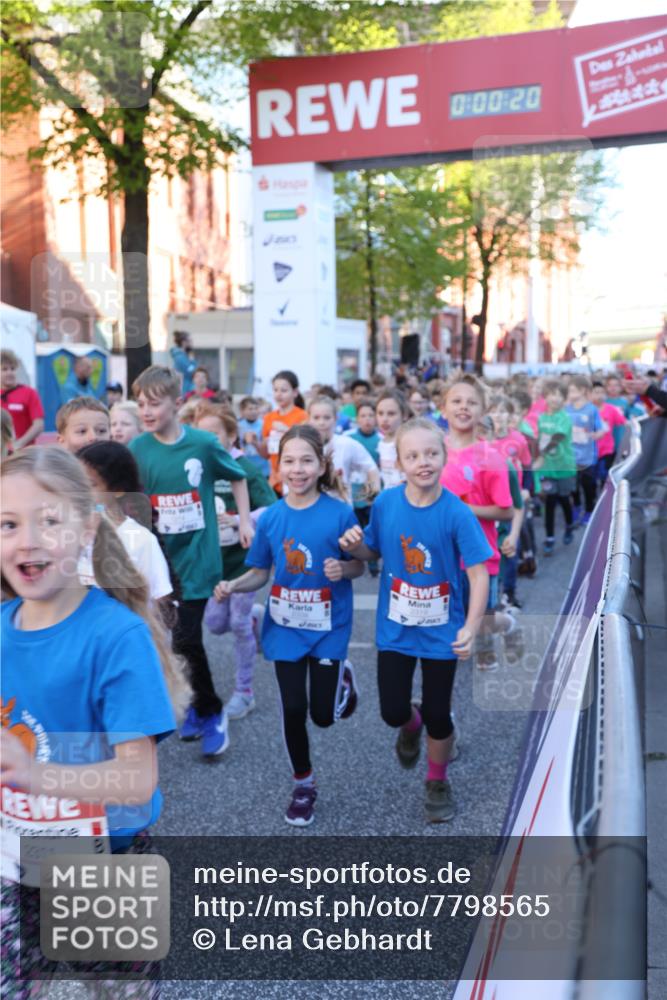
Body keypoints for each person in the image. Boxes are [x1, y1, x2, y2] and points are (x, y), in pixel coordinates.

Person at [1, 447, 186, 992]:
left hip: (106, 850)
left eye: (49, 521)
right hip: (13, 851)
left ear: (86, 531)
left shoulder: (116, 636)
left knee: (113, 990)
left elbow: (136, 779)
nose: (27, 539)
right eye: (8, 524)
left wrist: (37, 776)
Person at [339, 418, 491, 823]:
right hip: (396, 630)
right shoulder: (387, 504)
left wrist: (472, 626)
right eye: (413, 456)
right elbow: (373, 551)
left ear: (443, 456)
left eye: (431, 453)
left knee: (441, 714)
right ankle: (412, 724)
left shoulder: (456, 512)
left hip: (443, 631)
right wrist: (355, 548)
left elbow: (479, 573)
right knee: (392, 711)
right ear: (399, 462)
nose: (423, 462)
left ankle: (436, 781)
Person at [213, 425, 363, 827]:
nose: (297, 469)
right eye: (289, 461)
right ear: (279, 466)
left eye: (306, 461)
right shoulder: (273, 518)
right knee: (294, 709)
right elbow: (260, 572)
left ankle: (342, 679)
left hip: (329, 625)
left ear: (320, 466)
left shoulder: (339, 513)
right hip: (286, 626)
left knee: (324, 717)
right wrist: (233, 585)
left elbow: (360, 565)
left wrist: (343, 567)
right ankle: (304, 785)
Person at [129, 365, 252, 758]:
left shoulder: (202, 443)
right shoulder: (138, 449)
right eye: (140, 404)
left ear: (176, 404)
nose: (146, 411)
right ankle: (200, 707)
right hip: (161, 559)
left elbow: (238, 476)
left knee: (185, 638)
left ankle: (212, 711)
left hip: (198, 560)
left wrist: (246, 521)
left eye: (154, 403)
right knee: (176, 641)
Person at [195, 403, 277, 720]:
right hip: (214, 564)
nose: (207, 440)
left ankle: (244, 693)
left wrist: (239, 519)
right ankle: (258, 617)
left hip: (244, 563)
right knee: (215, 625)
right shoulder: (197, 467)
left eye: (214, 434)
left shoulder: (245, 468)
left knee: (238, 625)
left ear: (231, 436)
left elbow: (272, 508)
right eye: (201, 434)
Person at [439, 375, 515, 671]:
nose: (463, 407)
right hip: (442, 554)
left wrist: (465, 510)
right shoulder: (433, 451)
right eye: (456, 401)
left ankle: (502, 624)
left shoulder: (491, 456)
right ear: (443, 408)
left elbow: (506, 511)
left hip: (481, 554)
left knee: (483, 617)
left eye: (472, 403)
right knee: (447, 622)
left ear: (483, 411)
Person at [77, 441, 176, 611]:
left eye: (90, 485)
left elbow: (160, 597)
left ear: (118, 490)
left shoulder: (141, 539)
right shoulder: (72, 533)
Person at [307, 395, 380, 503]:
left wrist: (373, 493)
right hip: (311, 510)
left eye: (327, 417)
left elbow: (371, 467)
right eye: (316, 417)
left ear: (336, 419)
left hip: (342, 510)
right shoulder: (303, 446)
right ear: (309, 419)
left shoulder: (346, 444)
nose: (321, 422)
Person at [534, 380, 576, 555]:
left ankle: (569, 526)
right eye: (552, 394)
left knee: (564, 499)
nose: (555, 399)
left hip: (565, 467)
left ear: (564, 399)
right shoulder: (541, 418)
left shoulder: (565, 418)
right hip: (547, 469)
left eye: (560, 395)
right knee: (550, 501)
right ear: (545, 396)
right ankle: (550, 537)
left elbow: (557, 437)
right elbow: (537, 440)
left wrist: (541, 455)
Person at [566, 376, 606, 526]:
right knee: (572, 485)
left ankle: (589, 511)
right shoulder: (566, 409)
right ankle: (576, 507)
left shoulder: (591, 409)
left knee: (588, 486)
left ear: (582, 391)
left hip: (588, 457)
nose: (569, 393)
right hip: (570, 457)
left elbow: (600, 430)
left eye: (572, 390)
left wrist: (591, 435)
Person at [259, 370, 308, 494]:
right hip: (275, 480)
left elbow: (307, 445)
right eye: (275, 390)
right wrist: (257, 443)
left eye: (283, 390)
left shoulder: (303, 416)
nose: (278, 394)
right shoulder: (268, 418)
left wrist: (287, 430)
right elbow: (266, 455)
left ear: (295, 392)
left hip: (296, 476)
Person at [0, 349, 45, 449]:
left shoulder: (29, 393)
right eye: (4, 369)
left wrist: (19, 443)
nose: (9, 373)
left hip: (24, 452)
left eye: (12, 369)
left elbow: (38, 425)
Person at [590, 380, 626, 485]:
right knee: (589, 480)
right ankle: (590, 500)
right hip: (589, 451)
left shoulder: (611, 409)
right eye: (596, 392)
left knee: (604, 477)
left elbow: (623, 421)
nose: (599, 395)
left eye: (602, 392)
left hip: (607, 450)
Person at [376, 389, 410, 489]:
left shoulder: (408, 442)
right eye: (380, 413)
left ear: (404, 415)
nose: (384, 419)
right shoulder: (380, 442)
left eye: (391, 414)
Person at [237, 396, 270, 476]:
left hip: (262, 461)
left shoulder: (264, 424)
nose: (254, 411)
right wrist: (244, 440)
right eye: (250, 409)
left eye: (256, 408)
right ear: (242, 411)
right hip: (245, 460)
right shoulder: (238, 426)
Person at [170, 331, 197, 396]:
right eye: (190, 341)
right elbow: (192, 372)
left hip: (188, 390)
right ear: (184, 342)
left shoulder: (184, 356)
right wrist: (192, 361)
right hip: (185, 391)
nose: (191, 343)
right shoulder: (180, 357)